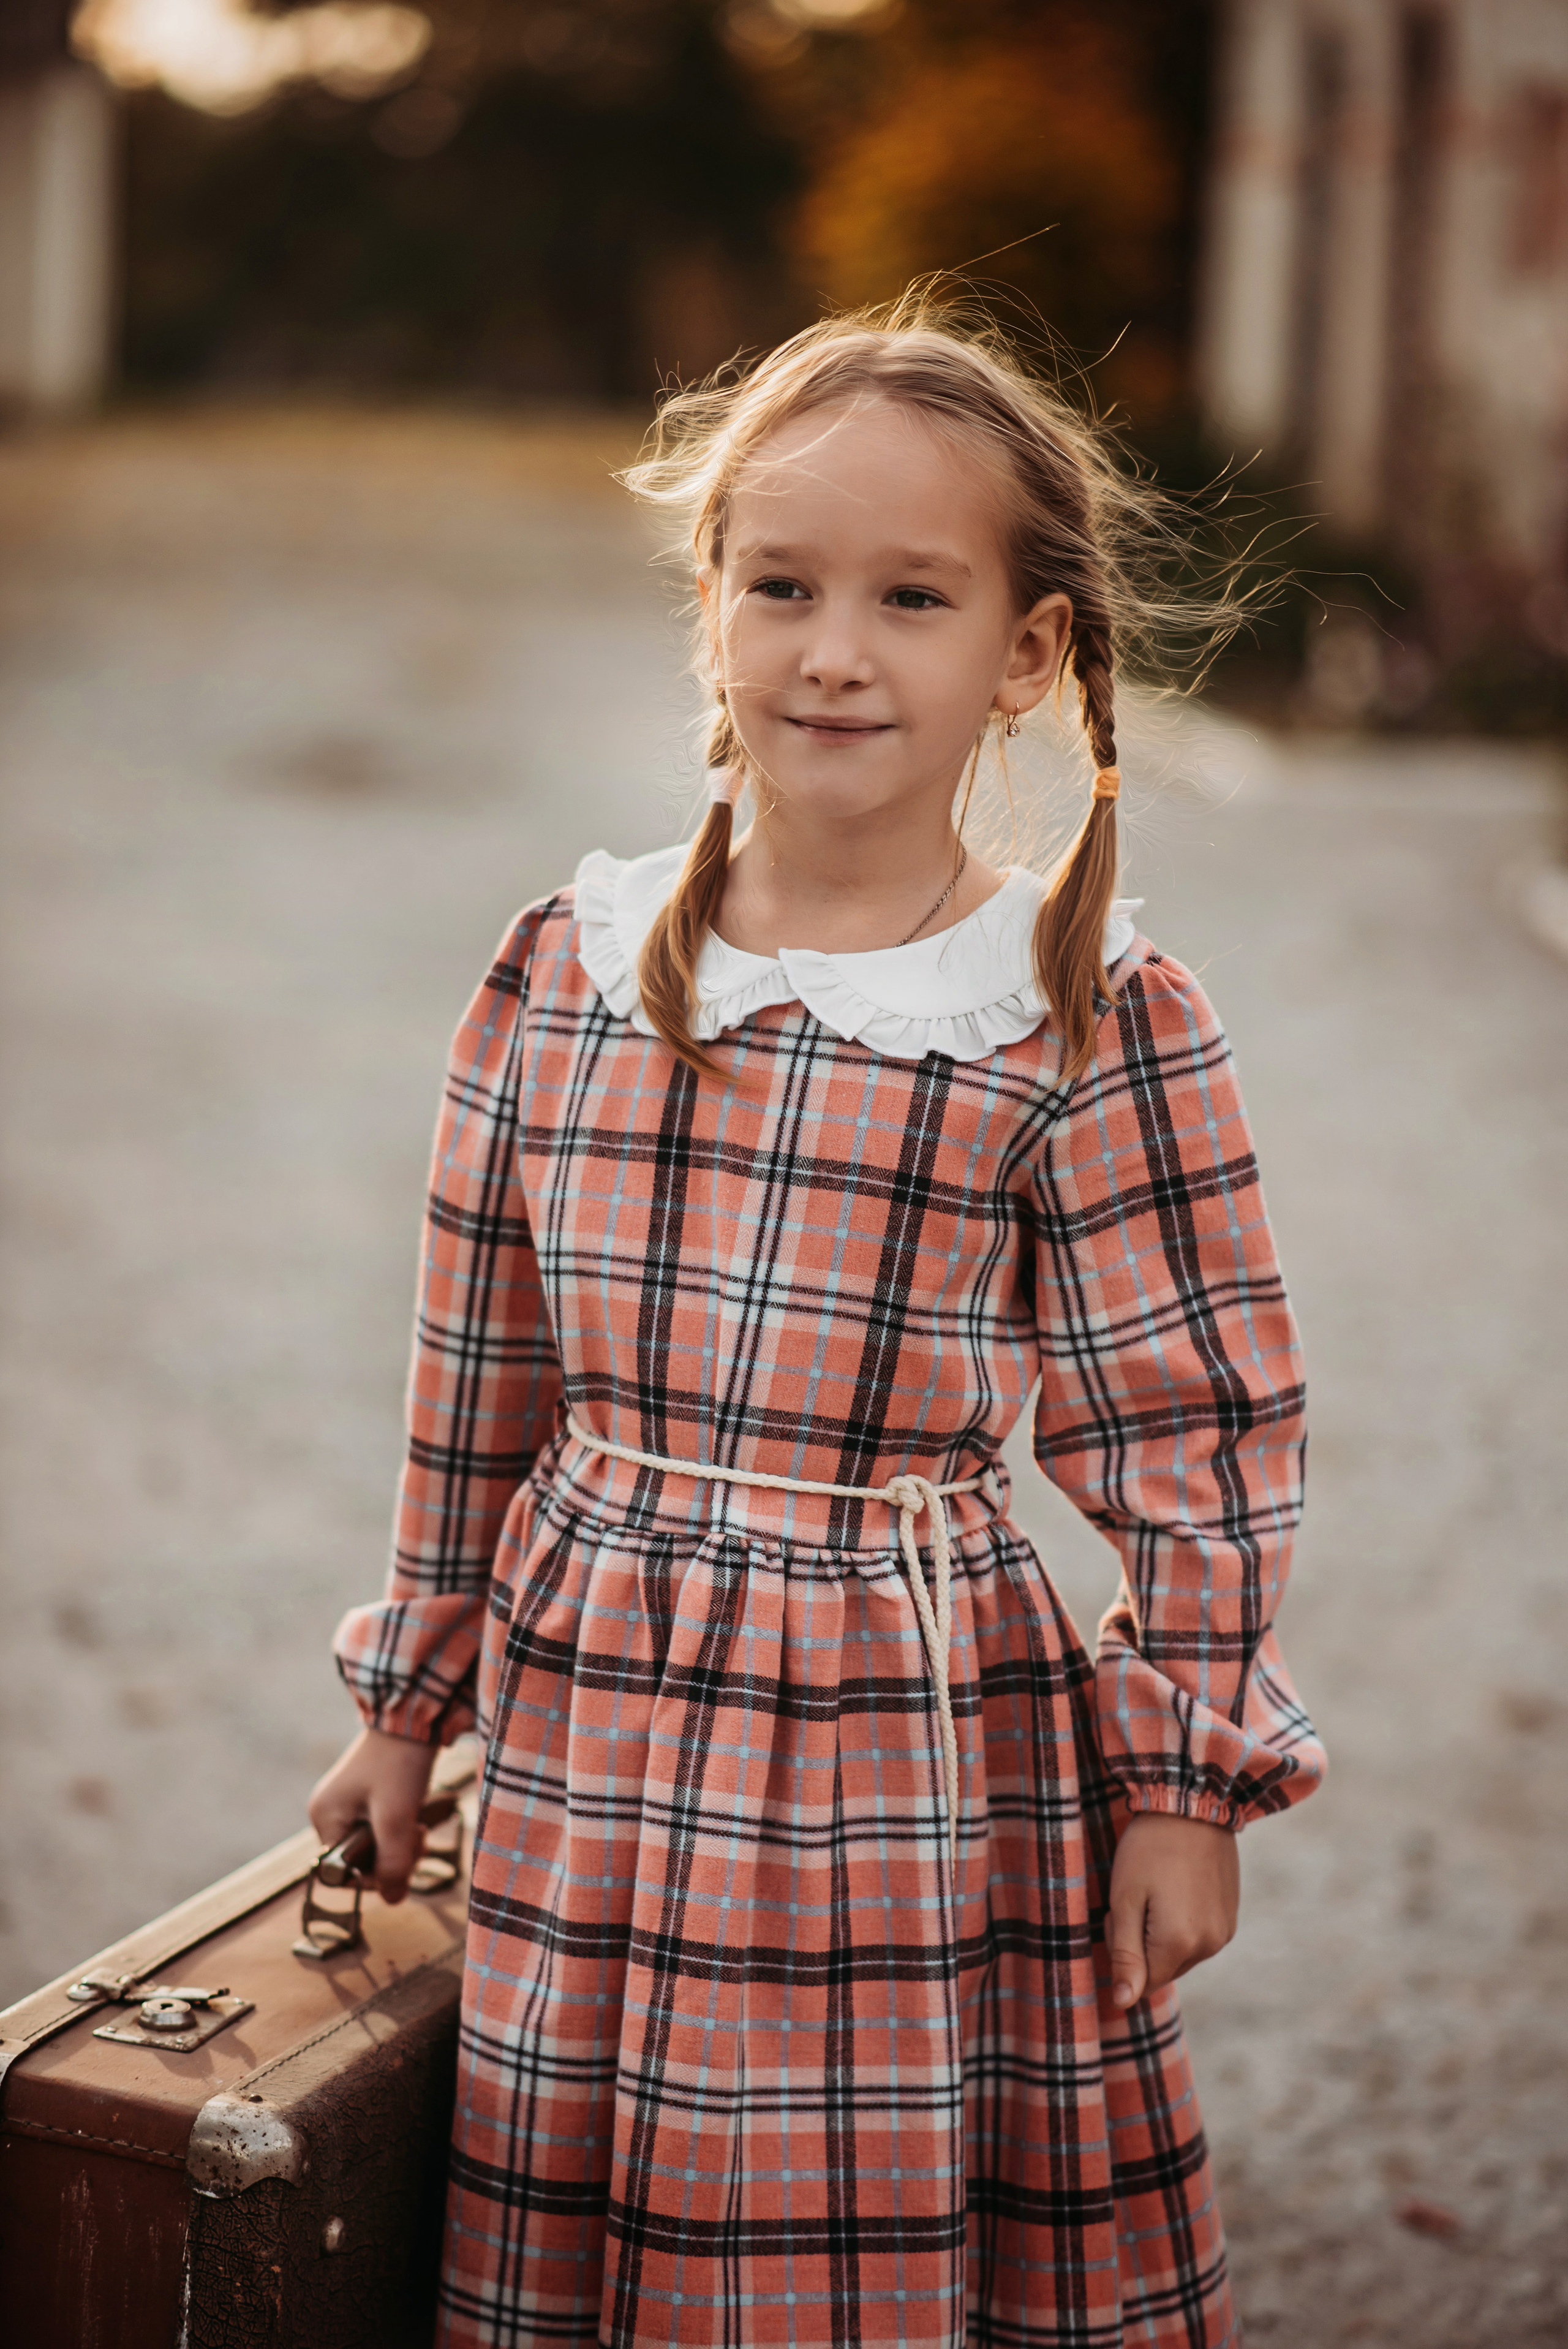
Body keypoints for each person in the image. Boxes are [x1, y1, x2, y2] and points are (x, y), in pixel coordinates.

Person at [311, 295, 1324, 2349]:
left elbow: (1194, 1418)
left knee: (830, 2232)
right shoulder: (568, 968)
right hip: (593, 1719)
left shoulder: (1087, 1009)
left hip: (905, 1751)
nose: (833, 649)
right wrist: (404, 1702)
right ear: (712, 611)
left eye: (911, 595)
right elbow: (472, 1387)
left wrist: (1186, 1786)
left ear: (1026, 652)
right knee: (591, 2203)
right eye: (780, 584)